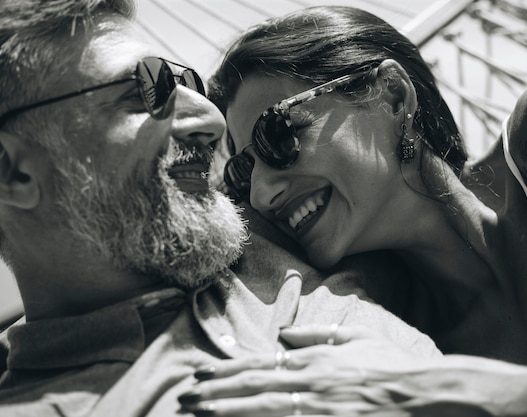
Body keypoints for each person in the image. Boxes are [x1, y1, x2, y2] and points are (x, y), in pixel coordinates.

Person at [0, 0, 456, 415]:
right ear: (12, 171)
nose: (211, 118)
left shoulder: (254, 227)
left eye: (186, 83)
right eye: (142, 92)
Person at [208, 5, 527, 372]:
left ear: (392, 95)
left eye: (277, 134)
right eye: (243, 173)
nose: (261, 193)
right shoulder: (385, 333)